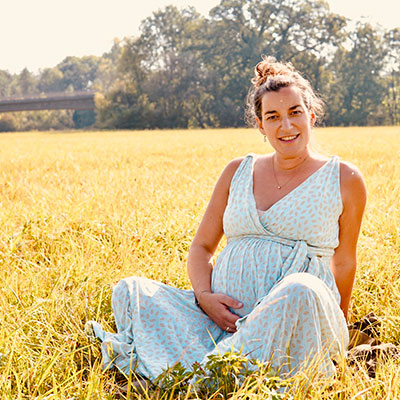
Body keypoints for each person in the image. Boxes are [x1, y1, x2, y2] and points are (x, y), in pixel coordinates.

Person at [86, 56, 367, 382]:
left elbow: (344, 262)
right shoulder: (238, 171)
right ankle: (222, 363)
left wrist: (338, 328)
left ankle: (207, 374)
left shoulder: (343, 177)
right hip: (218, 321)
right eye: (273, 117)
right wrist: (205, 298)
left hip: (294, 315)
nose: (286, 126)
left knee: (301, 288)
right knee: (130, 290)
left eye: (295, 113)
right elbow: (202, 247)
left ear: (311, 115)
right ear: (261, 126)